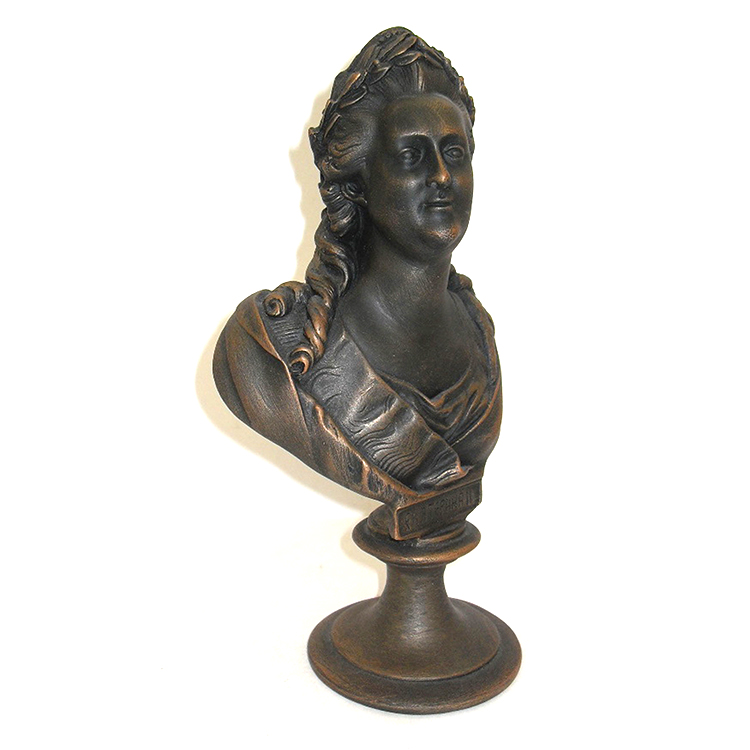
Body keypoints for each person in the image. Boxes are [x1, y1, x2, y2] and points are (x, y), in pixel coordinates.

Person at [213, 28, 502, 539]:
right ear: (360, 183)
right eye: (412, 156)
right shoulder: (275, 344)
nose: (441, 176)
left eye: (454, 153)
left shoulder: (478, 329)